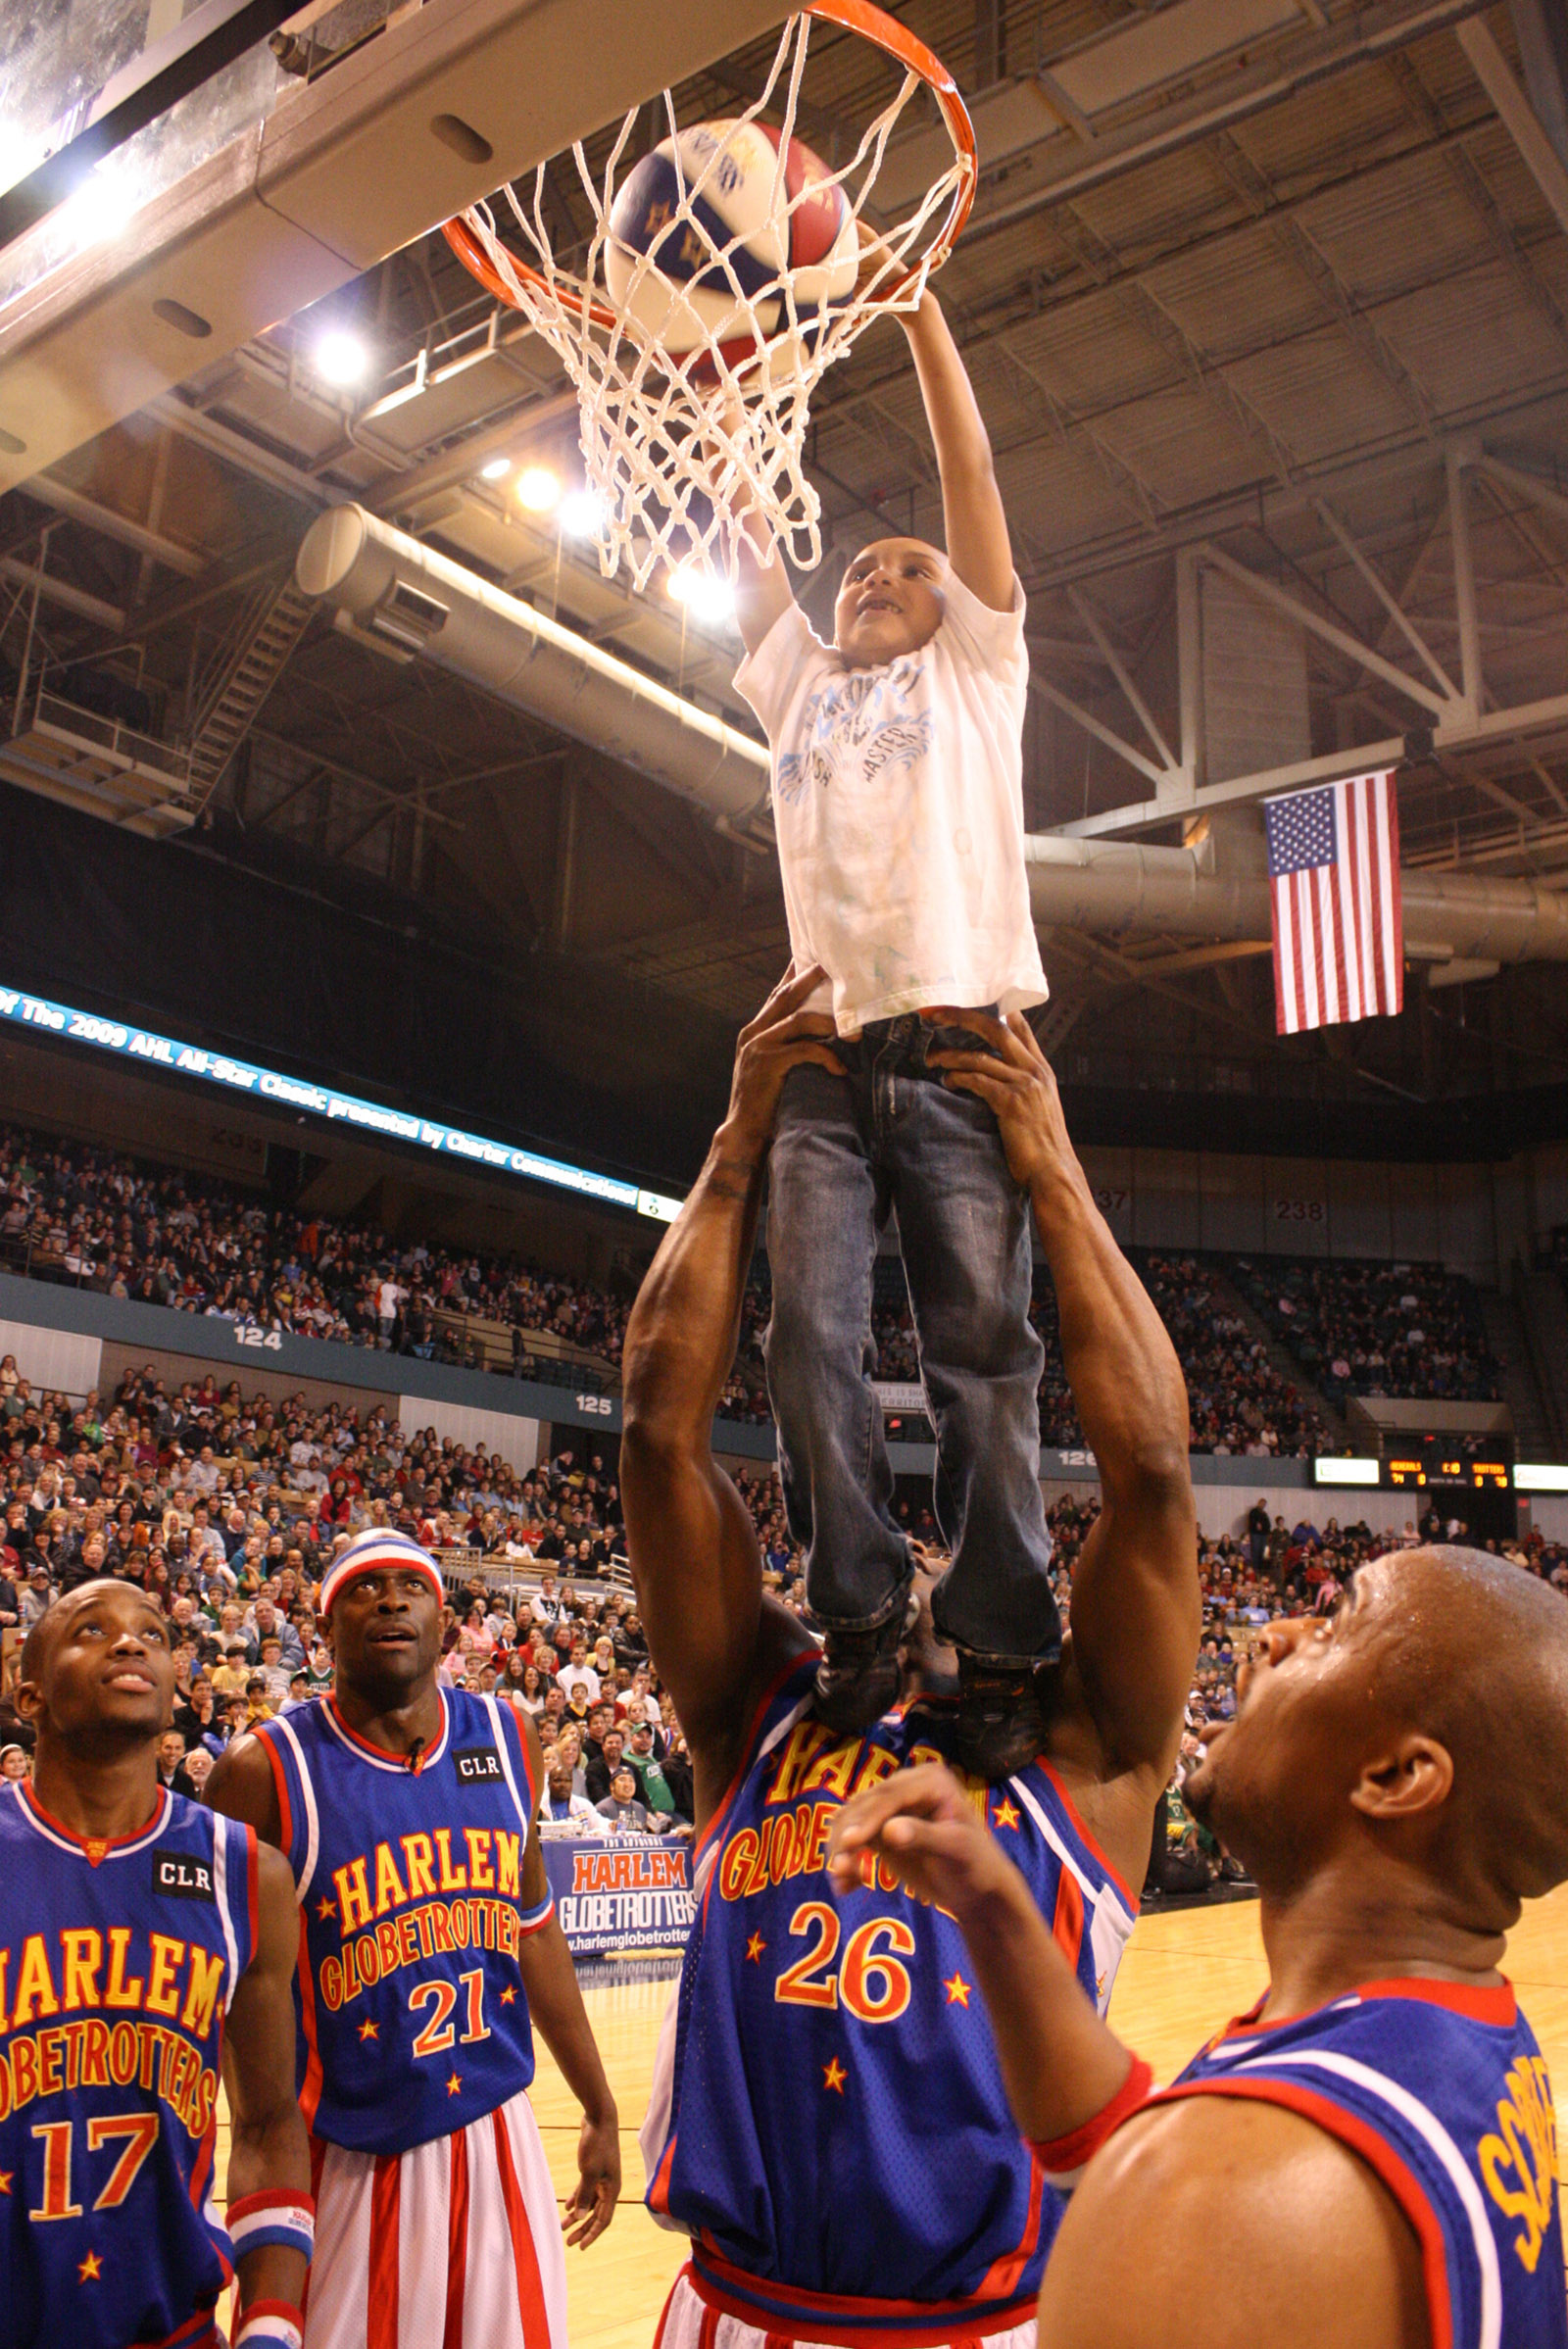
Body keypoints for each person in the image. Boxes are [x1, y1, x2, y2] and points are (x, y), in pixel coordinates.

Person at [620, 972, 1197, 2347]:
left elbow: (1156, 1475)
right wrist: (736, 1143)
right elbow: (654, 1434)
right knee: (797, 1346)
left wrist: (1053, 1173)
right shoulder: (760, 1697)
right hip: (733, 2309)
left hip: (982, 2323)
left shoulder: (1088, 1739)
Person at [828, 1544, 1568, 2349]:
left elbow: (1186, 2187)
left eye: (1331, 1626)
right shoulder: (1464, 2034)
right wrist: (997, 1912)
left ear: (1395, 1777)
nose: (1274, 1633)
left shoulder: (1239, 2201)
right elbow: (1134, 2157)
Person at [730, 270, 1056, 1769]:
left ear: (957, 606)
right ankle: (859, 1604)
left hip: (957, 1044)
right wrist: (725, 371)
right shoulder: (793, 687)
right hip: (816, 1057)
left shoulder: (979, 674)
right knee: (807, 1337)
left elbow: (972, 477)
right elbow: (743, 528)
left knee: (983, 1350)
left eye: (904, 566)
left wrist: (921, 311)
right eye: (856, 566)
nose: (873, 574)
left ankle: (995, 1632)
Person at [209, 1526, 619, 2349]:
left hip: (498, 2131)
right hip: (349, 2151)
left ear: (445, 1622)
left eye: (412, 1585)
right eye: (364, 1587)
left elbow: (533, 1931)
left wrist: (599, 2105)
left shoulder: (507, 1734)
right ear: (323, 1631)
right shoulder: (266, 1768)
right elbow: (213, 1997)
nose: (391, 1598)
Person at [2, 1579, 312, 2349]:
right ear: (29, 1693)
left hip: (172, 2327)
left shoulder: (248, 1874)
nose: (131, 1641)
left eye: (151, 1631)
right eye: (92, 1629)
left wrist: (274, 2321)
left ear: (178, 1688)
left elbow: (272, 2124)